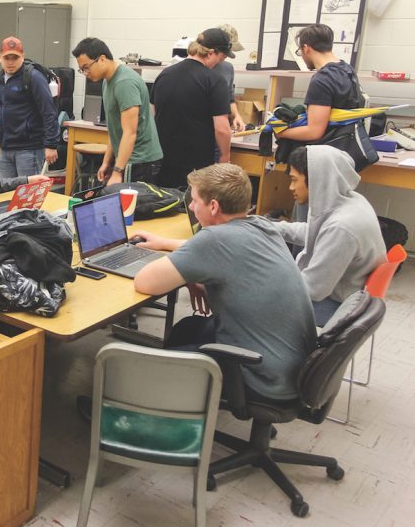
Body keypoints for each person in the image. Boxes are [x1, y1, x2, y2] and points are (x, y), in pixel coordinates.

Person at [133, 163, 316, 400]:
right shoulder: (261, 225)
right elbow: (221, 253)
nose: (190, 206)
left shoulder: (215, 240)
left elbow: (144, 282)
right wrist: (166, 244)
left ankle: (148, 412)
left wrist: (189, 272)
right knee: (187, 328)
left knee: (149, 366)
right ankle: (180, 406)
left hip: (263, 378)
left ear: (213, 206)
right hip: (291, 367)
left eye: (195, 200)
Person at [273, 145, 385, 325]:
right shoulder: (349, 201)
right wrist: (272, 228)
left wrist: (265, 277)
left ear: (316, 179)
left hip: (339, 307)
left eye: (294, 180)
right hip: (349, 294)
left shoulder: (342, 227)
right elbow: (313, 233)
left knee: (254, 305)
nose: (291, 187)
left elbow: (312, 289)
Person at [71, 37, 163, 184]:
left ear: (102, 59)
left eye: (86, 67)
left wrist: (117, 171)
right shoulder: (107, 82)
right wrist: (106, 162)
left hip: (140, 160)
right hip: (127, 157)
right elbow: (115, 130)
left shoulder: (124, 83)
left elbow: (130, 133)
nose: (85, 73)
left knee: (130, 206)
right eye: (81, 69)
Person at [151, 28, 232, 188]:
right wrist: (225, 158)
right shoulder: (215, 80)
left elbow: (152, 115)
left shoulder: (164, 75)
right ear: (211, 53)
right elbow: (222, 129)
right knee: (192, 209)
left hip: (163, 163)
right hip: (196, 168)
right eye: (221, 58)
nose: (220, 63)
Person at [275, 24, 362, 143]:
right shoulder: (348, 70)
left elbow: (314, 132)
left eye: (300, 52)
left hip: (329, 150)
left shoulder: (322, 79)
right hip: (348, 145)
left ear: (306, 48)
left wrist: (280, 133)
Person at [0, 36, 60, 178]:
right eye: (7, 58)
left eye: (15, 58)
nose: (10, 62)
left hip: (29, 149)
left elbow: (49, 112)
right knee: (6, 195)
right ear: (0, 58)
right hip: (5, 149)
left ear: (22, 56)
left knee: (28, 196)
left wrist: (51, 145)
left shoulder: (33, 77)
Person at [211, 24, 247, 132]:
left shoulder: (228, 68)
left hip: (221, 127)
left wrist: (237, 116)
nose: (226, 56)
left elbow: (230, 99)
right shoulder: (200, 68)